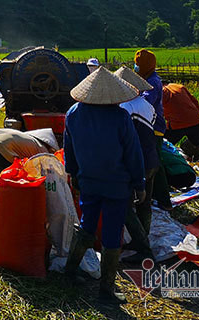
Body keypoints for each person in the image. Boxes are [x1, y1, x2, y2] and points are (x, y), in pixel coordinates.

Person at [63, 67, 145, 304]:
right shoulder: (120, 117)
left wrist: (73, 174)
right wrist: (139, 183)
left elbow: (69, 149)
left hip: (88, 181)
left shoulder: (73, 113)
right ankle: (106, 289)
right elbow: (133, 154)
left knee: (87, 227)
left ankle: (70, 271)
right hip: (117, 185)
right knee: (112, 233)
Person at [114, 66, 159, 263]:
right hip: (152, 159)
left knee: (124, 205)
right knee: (144, 203)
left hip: (137, 162)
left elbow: (125, 141)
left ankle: (143, 247)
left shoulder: (125, 108)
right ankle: (142, 239)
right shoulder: (146, 104)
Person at [0, 128, 59, 204]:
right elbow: (43, 177)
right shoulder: (42, 149)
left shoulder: (25, 139)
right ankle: (12, 217)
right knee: (12, 188)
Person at [134, 49, 172, 210]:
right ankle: (158, 197)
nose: (136, 67)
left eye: (137, 65)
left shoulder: (153, 82)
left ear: (144, 66)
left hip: (154, 127)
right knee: (153, 163)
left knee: (155, 164)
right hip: (149, 126)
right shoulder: (147, 78)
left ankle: (164, 200)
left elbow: (146, 102)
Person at [162, 83, 199, 170]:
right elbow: (194, 101)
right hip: (195, 120)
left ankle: (165, 167)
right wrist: (198, 115)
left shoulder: (161, 92)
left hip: (177, 124)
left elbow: (158, 110)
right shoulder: (179, 86)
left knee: (164, 145)